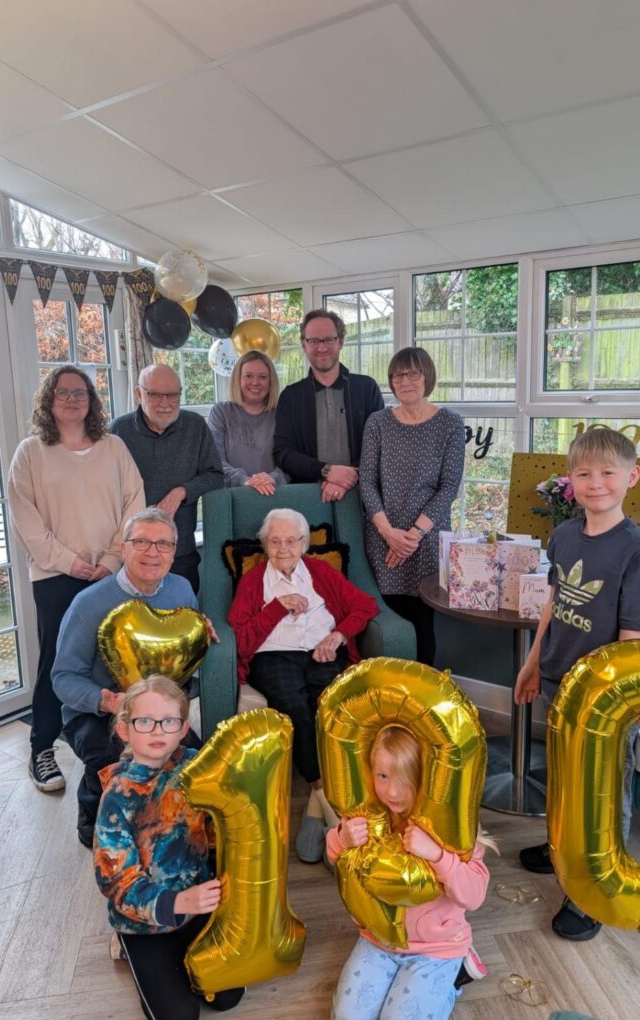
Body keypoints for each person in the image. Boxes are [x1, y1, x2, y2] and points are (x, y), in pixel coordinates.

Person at [514, 426, 640, 941]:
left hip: (605, 700)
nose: (595, 483)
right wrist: (532, 663)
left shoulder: (637, 551)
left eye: (607, 473)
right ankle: (561, 850)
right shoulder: (563, 536)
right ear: (570, 480)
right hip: (558, 681)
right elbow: (555, 604)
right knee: (561, 776)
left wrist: (630, 696)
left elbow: (633, 636)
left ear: (631, 477)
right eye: (583, 473)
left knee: (601, 794)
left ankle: (597, 889)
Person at [8, 364, 144, 794]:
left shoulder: (114, 447)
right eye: (63, 392)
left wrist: (110, 559)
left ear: (92, 401)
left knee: (116, 659)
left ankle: (117, 743)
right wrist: (71, 563)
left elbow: (134, 506)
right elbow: (26, 521)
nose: (71, 399)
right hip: (55, 576)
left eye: (80, 392)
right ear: (49, 401)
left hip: (112, 573)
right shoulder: (30, 453)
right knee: (57, 661)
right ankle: (42, 748)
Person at [227, 508, 378, 863]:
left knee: (331, 707)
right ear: (264, 545)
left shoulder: (321, 572)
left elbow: (364, 606)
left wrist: (338, 637)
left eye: (291, 540)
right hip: (272, 656)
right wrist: (277, 607)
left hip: (320, 652)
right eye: (274, 541)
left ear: (304, 544)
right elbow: (242, 639)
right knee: (295, 708)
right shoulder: (253, 583)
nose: (283, 548)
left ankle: (315, 814)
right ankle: (329, 805)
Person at [94, 675, 244, 1020]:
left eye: (169, 721)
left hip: (200, 910)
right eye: (145, 721)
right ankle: (128, 949)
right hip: (144, 922)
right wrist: (176, 903)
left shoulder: (198, 768)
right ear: (125, 730)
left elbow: (223, 827)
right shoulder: (117, 797)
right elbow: (115, 881)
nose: (158, 730)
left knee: (228, 997)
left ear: (183, 727)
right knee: (179, 1017)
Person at [52, 508, 200, 849]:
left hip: (158, 710)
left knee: (195, 756)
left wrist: (198, 635)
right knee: (109, 758)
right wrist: (109, 701)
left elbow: (184, 647)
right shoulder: (88, 604)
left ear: (174, 552)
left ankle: (166, 821)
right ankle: (92, 813)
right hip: (98, 711)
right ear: (123, 547)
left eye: (163, 544)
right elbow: (63, 678)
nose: (153, 552)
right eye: (142, 542)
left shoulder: (180, 589)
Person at [327, 726, 494, 1020]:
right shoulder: (370, 813)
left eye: (405, 779)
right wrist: (342, 838)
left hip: (436, 947)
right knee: (347, 1019)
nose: (392, 791)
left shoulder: (452, 827)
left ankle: (456, 974)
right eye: (383, 776)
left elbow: (475, 895)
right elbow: (337, 858)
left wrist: (438, 856)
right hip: (378, 939)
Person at [359, 348, 465, 666]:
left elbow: (448, 487)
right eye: (397, 375)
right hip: (382, 538)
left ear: (427, 376)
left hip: (425, 541)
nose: (404, 381)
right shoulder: (377, 423)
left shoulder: (450, 424)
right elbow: (367, 482)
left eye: (413, 373)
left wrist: (412, 536)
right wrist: (389, 533)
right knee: (385, 625)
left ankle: (420, 700)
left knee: (422, 625)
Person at [110, 363, 223, 593]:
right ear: (139, 394)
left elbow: (215, 475)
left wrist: (181, 492)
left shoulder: (194, 425)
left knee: (183, 621)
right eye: (155, 395)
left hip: (180, 551)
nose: (165, 403)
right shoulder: (118, 431)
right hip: (134, 555)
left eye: (173, 395)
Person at [273, 309, 384, 502]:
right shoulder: (290, 397)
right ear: (303, 345)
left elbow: (380, 447)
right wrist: (327, 471)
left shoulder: (367, 388)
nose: (321, 347)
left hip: (361, 498)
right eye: (314, 341)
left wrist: (345, 478)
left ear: (340, 341)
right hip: (308, 499)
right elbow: (283, 453)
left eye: (328, 340)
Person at [208, 350, 288, 495]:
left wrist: (272, 478)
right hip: (233, 498)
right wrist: (244, 480)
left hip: (274, 494)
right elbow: (215, 461)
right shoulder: (221, 413)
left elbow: (290, 460)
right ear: (238, 379)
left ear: (271, 382)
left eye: (263, 377)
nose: (255, 382)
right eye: (248, 376)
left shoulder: (282, 414)